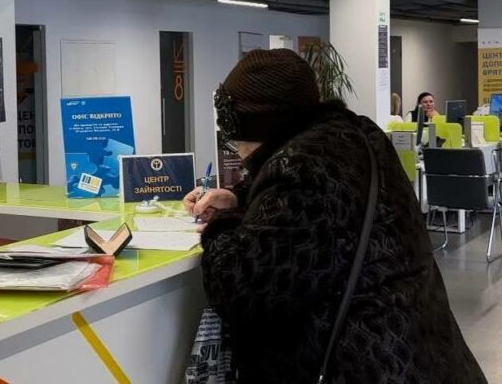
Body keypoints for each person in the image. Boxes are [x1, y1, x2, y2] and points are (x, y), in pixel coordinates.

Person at [182, 49, 485, 383]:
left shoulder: (301, 168)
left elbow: (238, 289)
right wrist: (240, 198)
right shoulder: (359, 136)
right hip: (424, 353)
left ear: (260, 129)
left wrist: (222, 224)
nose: (238, 153)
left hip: (368, 366)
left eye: (237, 143)